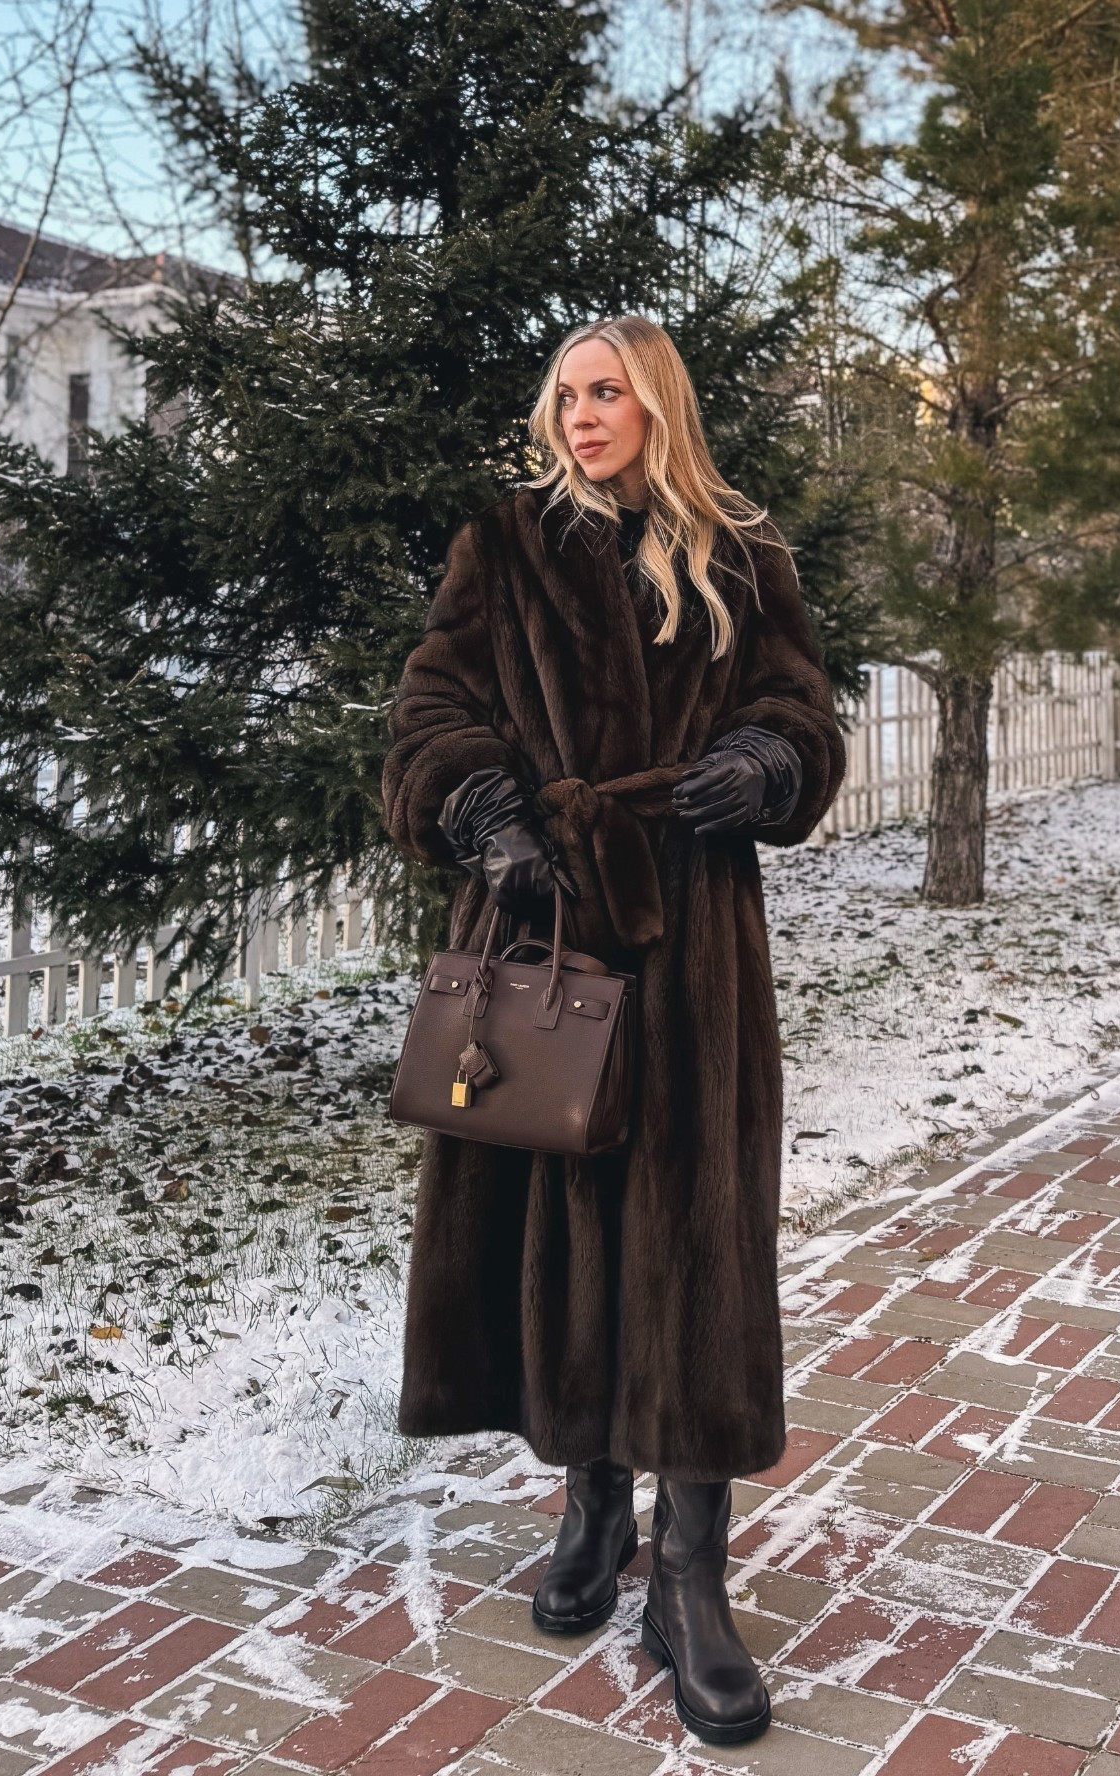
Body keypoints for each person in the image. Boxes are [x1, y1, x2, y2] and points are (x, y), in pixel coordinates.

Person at [381, 315, 845, 1746]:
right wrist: (479, 810)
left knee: (696, 1238)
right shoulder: (504, 546)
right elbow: (427, 706)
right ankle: (588, 1499)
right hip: (536, 925)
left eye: (608, 393)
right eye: (566, 395)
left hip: (694, 939)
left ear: (657, 407)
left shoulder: (735, 551)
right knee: (552, 1217)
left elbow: (801, 705)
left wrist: (768, 760)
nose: (581, 416)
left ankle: (690, 1576)